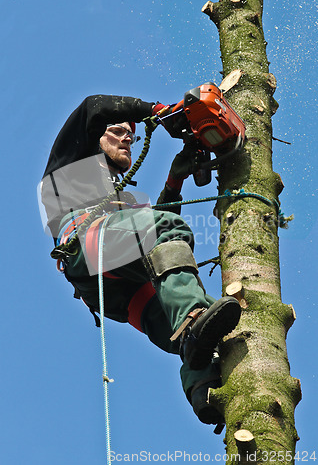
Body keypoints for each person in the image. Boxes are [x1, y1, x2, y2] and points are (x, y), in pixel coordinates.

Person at [40, 94, 241, 427]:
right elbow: (94, 106)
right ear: (95, 135)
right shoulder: (70, 162)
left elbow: (152, 240)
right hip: (85, 246)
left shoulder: (122, 200)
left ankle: (205, 389)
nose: (128, 137)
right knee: (186, 295)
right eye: (118, 130)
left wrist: (174, 181)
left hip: (117, 291)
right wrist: (158, 112)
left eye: (131, 134)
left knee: (204, 325)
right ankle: (191, 320)